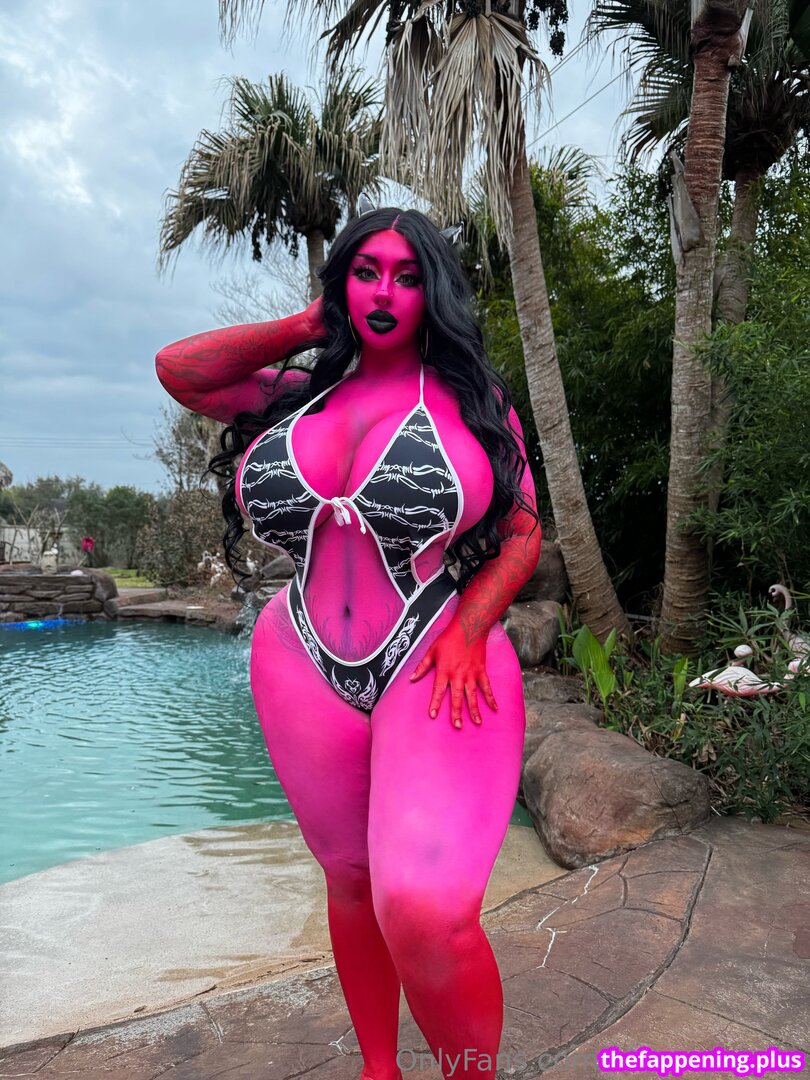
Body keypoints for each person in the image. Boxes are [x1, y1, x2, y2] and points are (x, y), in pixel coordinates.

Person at [155, 204, 542, 1079]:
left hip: (433, 650)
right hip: (298, 659)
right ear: (342, 284)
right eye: (366, 272)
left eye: (407, 276)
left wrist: (471, 629)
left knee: (427, 909)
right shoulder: (294, 397)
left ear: (432, 291)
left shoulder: (475, 403)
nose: (384, 292)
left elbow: (523, 533)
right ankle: (378, 1069)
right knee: (352, 879)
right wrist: (307, 324)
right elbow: (178, 369)